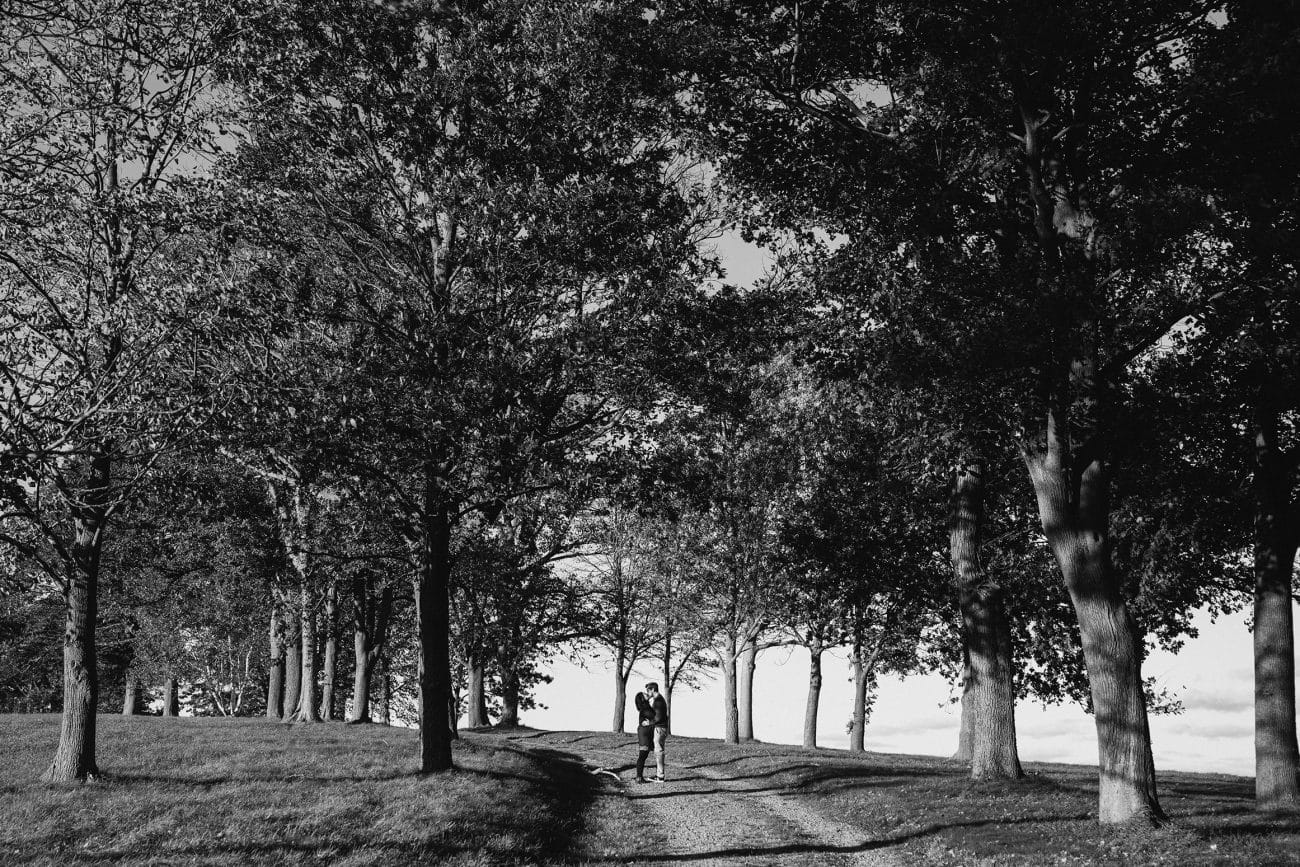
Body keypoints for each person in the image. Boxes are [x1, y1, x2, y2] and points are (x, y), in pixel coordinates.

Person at [590, 690, 655, 782]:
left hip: (646, 732)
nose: (647, 694)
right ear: (642, 699)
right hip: (644, 733)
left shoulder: (646, 707)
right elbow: (654, 718)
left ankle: (639, 777)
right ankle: (639, 777)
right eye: (645, 694)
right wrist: (653, 722)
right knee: (643, 755)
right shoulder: (645, 708)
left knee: (644, 755)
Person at [645, 682, 669, 782]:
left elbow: (658, 718)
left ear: (653, 690)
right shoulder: (658, 700)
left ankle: (660, 776)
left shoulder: (658, 701)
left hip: (659, 728)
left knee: (658, 751)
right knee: (659, 751)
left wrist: (649, 723)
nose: (647, 693)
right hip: (661, 728)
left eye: (648, 691)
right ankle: (659, 775)